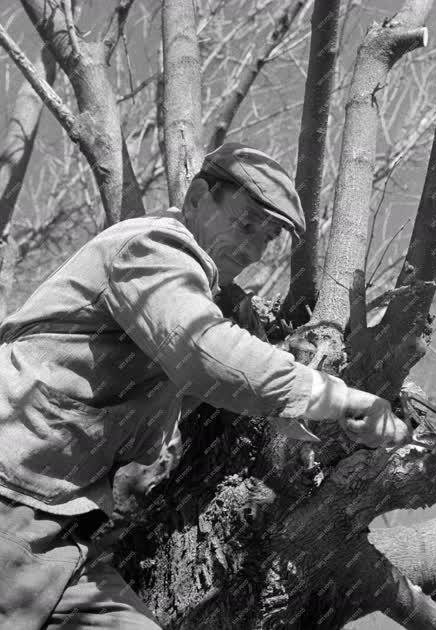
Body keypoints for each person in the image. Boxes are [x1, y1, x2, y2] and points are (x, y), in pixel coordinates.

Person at [0, 142, 410, 629]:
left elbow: (213, 371)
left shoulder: (196, 293)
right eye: (246, 223)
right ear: (196, 197)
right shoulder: (153, 248)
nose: (254, 249)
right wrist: (338, 397)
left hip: (64, 533)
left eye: (269, 237)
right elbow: (202, 352)